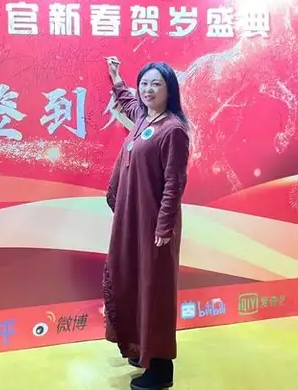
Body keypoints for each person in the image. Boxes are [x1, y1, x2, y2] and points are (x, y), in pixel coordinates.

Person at [102, 57, 191, 390]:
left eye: (156, 84)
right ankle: (142, 349)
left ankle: (161, 368)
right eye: (144, 83)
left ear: (170, 90)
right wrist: (116, 77)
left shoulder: (174, 130)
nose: (148, 89)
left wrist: (164, 227)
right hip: (132, 219)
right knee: (133, 282)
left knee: (154, 290)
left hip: (154, 226)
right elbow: (128, 100)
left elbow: (174, 183)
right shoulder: (143, 117)